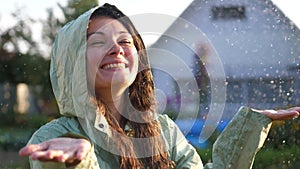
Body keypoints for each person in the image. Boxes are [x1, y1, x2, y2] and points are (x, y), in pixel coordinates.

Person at [19, 3, 299, 169]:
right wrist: (76, 164)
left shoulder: (162, 129)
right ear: (72, 62)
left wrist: (246, 131)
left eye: (124, 41)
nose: (116, 49)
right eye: (97, 41)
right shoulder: (57, 137)